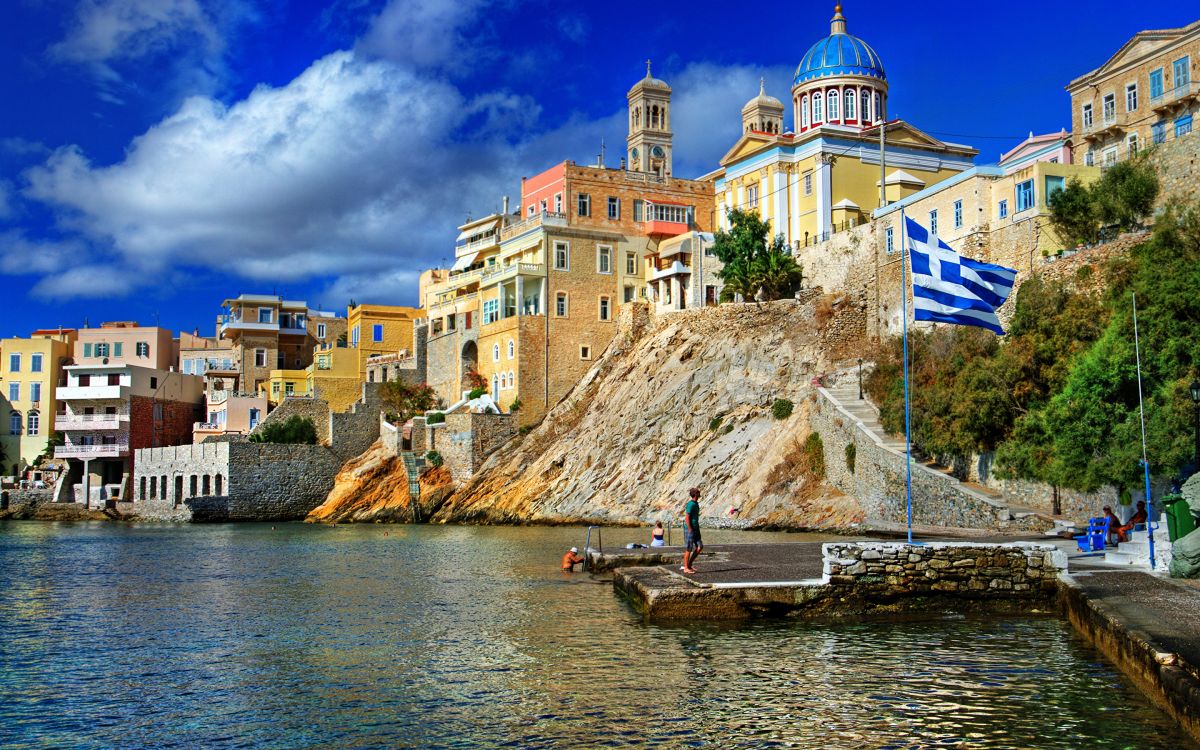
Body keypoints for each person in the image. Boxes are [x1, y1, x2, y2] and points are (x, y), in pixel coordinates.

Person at [682, 487, 703, 574]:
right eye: (698, 492)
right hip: (690, 529)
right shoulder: (690, 504)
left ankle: (689, 564)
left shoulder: (696, 503)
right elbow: (687, 517)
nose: (700, 493)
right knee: (689, 548)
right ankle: (686, 568)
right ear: (695, 494)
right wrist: (690, 528)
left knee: (700, 546)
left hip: (696, 528)